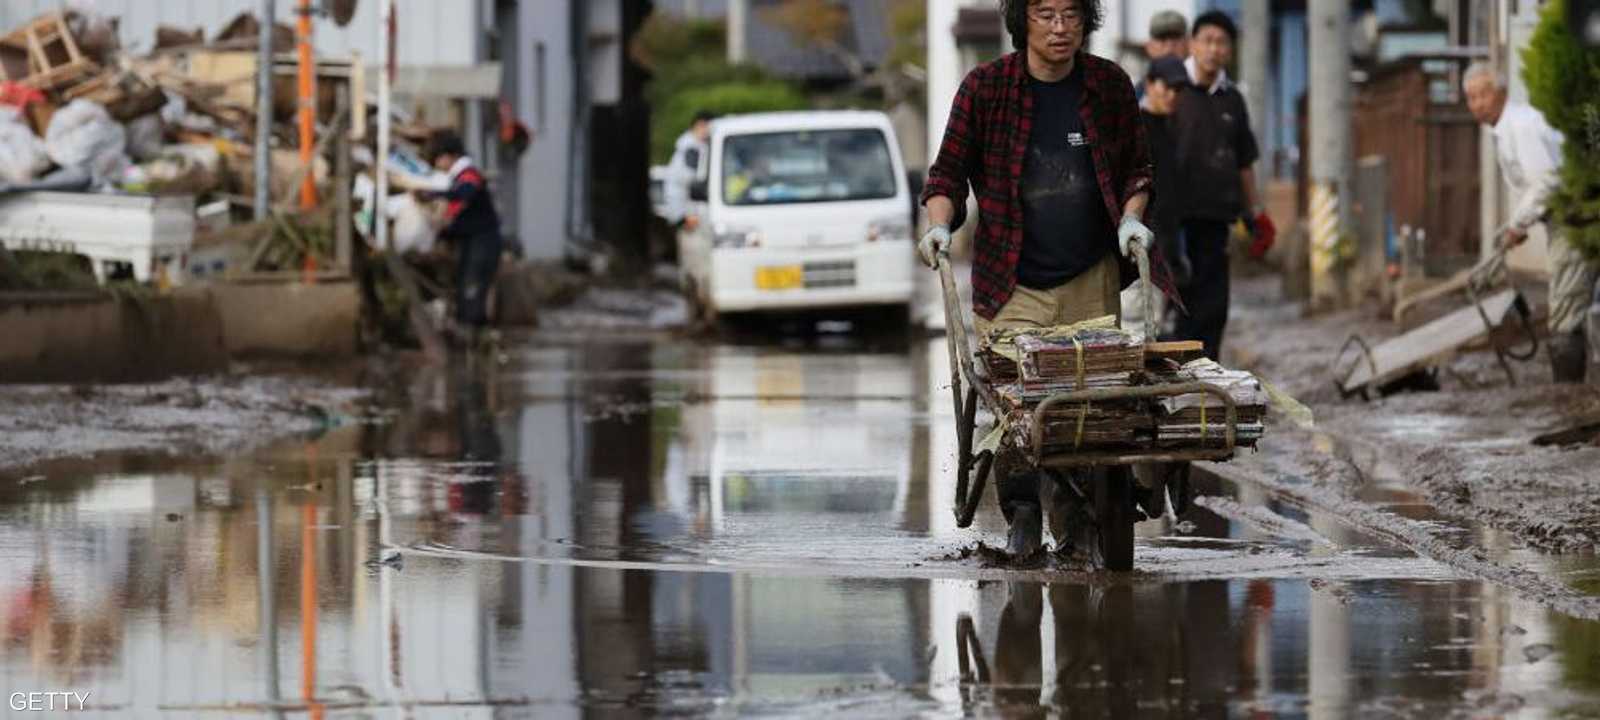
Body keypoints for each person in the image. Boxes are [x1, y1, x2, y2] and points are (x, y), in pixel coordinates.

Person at [918, 0, 1160, 556]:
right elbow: (947, 175)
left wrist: (1130, 217)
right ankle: (1023, 510)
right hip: (1011, 282)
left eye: (1071, 14)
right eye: (1045, 14)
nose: (1059, 27)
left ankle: (1075, 516)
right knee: (1016, 405)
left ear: (1085, 21)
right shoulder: (985, 89)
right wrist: (938, 227)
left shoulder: (1109, 86)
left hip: (1090, 277)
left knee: (1089, 404)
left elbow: (1138, 170)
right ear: (1021, 20)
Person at [1464, 63, 1599, 383]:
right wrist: (1520, 223)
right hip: (1571, 214)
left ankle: (1566, 398)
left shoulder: (1521, 125)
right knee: (1575, 306)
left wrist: (1518, 225)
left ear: (1501, 92)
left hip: (1575, 218)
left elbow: (1546, 180)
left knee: (1565, 312)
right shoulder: (1509, 127)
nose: (1477, 103)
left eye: (1483, 94)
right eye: (1470, 98)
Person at [1168, 10, 1273, 361]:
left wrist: (1254, 212)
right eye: (1207, 40)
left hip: (1215, 220)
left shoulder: (1232, 99)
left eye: (1221, 42)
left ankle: (1206, 383)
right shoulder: (1169, 89)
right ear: (1193, 44)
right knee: (1176, 309)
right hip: (1173, 224)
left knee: (1213, 307)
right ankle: (1171, 388)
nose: (1213, 49)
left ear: (1230, 50)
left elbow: (1244, 161)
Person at [423, 129, 504, 347]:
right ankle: (473, 344)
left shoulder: (468, 175)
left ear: (449, 156)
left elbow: (464, 193)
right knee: (466, 288)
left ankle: (474, 343)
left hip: (483, 242)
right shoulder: (460, 177)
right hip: (474, 241)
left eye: (439, 159)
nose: (438, 164)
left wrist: (433, 194)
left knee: (472, 288)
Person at [662, 111, 715, 226]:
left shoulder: (693, 147)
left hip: (690, 215)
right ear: (700, 125)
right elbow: (683, 184)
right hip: (687, 217)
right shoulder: (690, 149)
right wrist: (682, 217)